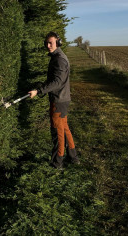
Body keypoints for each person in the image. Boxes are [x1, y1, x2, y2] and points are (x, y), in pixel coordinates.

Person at [28, 31, 79, 169]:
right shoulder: (58, 57)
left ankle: (57, 163)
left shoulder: (59, 59)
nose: (48, 45)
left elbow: (57, 82)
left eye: (51, 42)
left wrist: (39, 91)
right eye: (47, 43)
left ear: (58, 42)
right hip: (63, 99)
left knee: (57, 132)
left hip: (59, 100)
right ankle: (73, 157)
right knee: (64, 128)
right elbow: (56, 79)